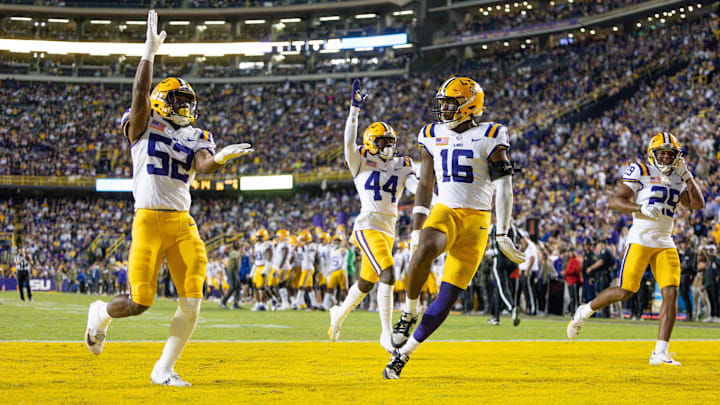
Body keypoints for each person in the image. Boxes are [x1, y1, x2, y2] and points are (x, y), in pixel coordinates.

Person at [83, 10, 254, 387]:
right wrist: (148, 53)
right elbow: (139, 94)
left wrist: (219, 157)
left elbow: (203, 164)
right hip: (147, 219)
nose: (185, 108)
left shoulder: (196, 134)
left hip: (181, 223)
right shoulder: (143, 122)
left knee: (192, 299)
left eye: (187, 101)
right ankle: (100, 313)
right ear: (162, 101)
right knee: (139, 303)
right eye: (177, 100)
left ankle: (163, 368)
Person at [384, 76, 525, 379]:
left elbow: (505, 186)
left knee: (447, 297)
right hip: (446, 209)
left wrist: (503, 231)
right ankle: (408, 312)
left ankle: (404, 355)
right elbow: (425, 182)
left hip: (478, 220)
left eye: (451, 103)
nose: (445, 109)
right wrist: (417, 223)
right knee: (425, 247)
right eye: (444, 102)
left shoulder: (492, 133)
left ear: (469, 104)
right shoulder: (431, 134)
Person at [567, 132, 704, 366]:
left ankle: (660, 352)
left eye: (671, 154)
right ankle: (585, 310)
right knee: (625, 291)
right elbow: (615, 201)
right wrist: (641, 209)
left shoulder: (679, 176)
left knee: (671, 292)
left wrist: (689, 177)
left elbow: (697, 204)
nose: (666, 158)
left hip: (664, 241)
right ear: (652, 153)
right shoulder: (640, 170)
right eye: (662, 153)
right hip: (640, 238)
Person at [328, 79, 417, 352]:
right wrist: (354, 110)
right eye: (383, 142)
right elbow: (348, 139)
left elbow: (413, 187)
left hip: (387, 230)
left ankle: (338, 314)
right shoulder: (359, 160)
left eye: (391, 142)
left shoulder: (404, 164)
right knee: (388, 272)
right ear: (370, 142)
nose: (389, 147)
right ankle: (385, 334)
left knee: (367, 282)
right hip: (368, 225)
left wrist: (431, 200)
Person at [487, 222, 526, 326]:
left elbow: (487, 239)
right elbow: (525, 242)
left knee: (502, 286)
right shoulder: (514, 228)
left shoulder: (495, 226)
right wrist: (518, 252)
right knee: (499, 288)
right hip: (512, 261)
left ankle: (511, 308)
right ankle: (496, 317)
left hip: (500, 259)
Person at [219, 240, 242, 309]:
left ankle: (235, 304)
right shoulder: (235, 253)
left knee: (238, 287)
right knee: (233, 287)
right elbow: (236, 261)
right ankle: (223, 302)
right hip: (232, 271)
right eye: (238, 244)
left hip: (233, 271)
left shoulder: (232, 252)